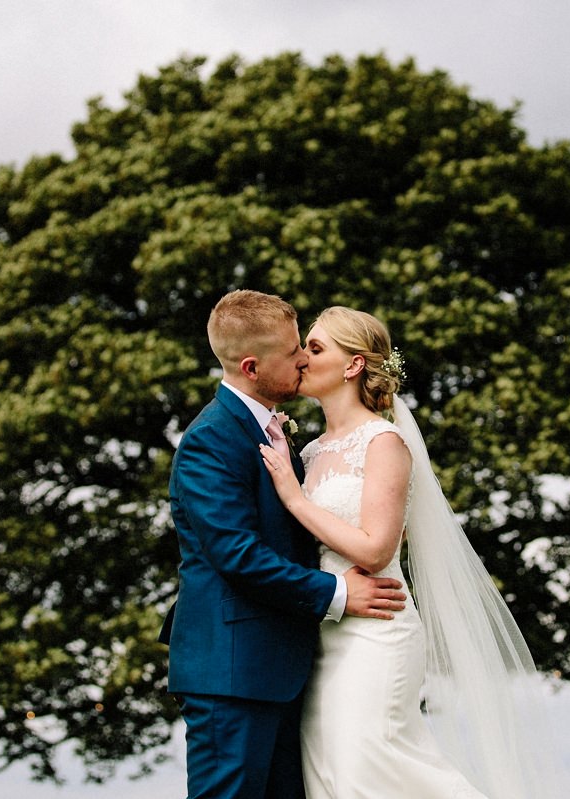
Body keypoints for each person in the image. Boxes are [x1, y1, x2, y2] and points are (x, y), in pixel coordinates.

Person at [258, 306, 560, 798]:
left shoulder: (384, 442)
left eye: (315, 348)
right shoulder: (309, 451)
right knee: (330, 775)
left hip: (376, 634)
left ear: (353, 365)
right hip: (323, 636)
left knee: (368, 768)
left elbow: (376, 549)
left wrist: (293, 496)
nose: (302, 359)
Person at [159, 291, 408, 799]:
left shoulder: (281, 434)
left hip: (289, 668)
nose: (303, 358)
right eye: (294, 350)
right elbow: (237, 555)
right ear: (252, 366)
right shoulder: (211, 440)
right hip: (233, 672)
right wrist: (338, 594)